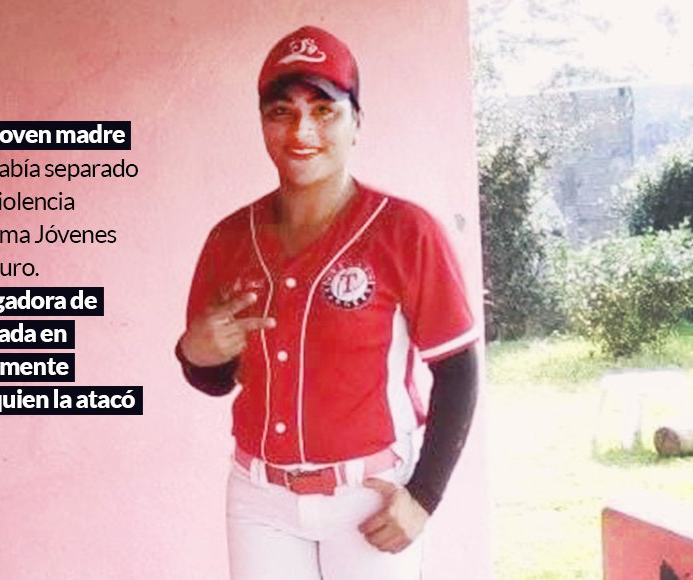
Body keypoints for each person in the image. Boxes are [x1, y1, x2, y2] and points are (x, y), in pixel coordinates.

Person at [176, 25, 479, 580]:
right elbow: (214, 378)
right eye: (282, 112)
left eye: (324, 110)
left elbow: (457, 371)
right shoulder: (229, 239)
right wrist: (195, 352)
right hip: (260, 500)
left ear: (356, 121)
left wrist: (424, 496)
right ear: (262, 123)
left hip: (369, 496)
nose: (302, 131)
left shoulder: (405, 231)